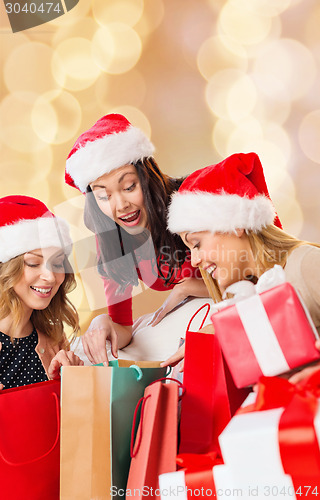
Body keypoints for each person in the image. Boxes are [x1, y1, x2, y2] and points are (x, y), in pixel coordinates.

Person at [65, 113, 210, 364]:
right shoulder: (113, 239)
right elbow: (123, 328)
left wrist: (190, 287)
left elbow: (254, 276)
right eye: (103, 196)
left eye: (129, 187)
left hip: (229, 306)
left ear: (147, 178)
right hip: (189, 321)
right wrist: (102, 323)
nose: (120, 205)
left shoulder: (190, 201)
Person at [162, 152, 320, 381]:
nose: (194, 260)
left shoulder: (305, 264)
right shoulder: (250, 299)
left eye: (197, 243)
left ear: (235, 224)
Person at [0, 195, 83, 390]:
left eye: (57, 263)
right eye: (33, 263)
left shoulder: (55, 341)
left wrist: (74, 382)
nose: (51, 277)